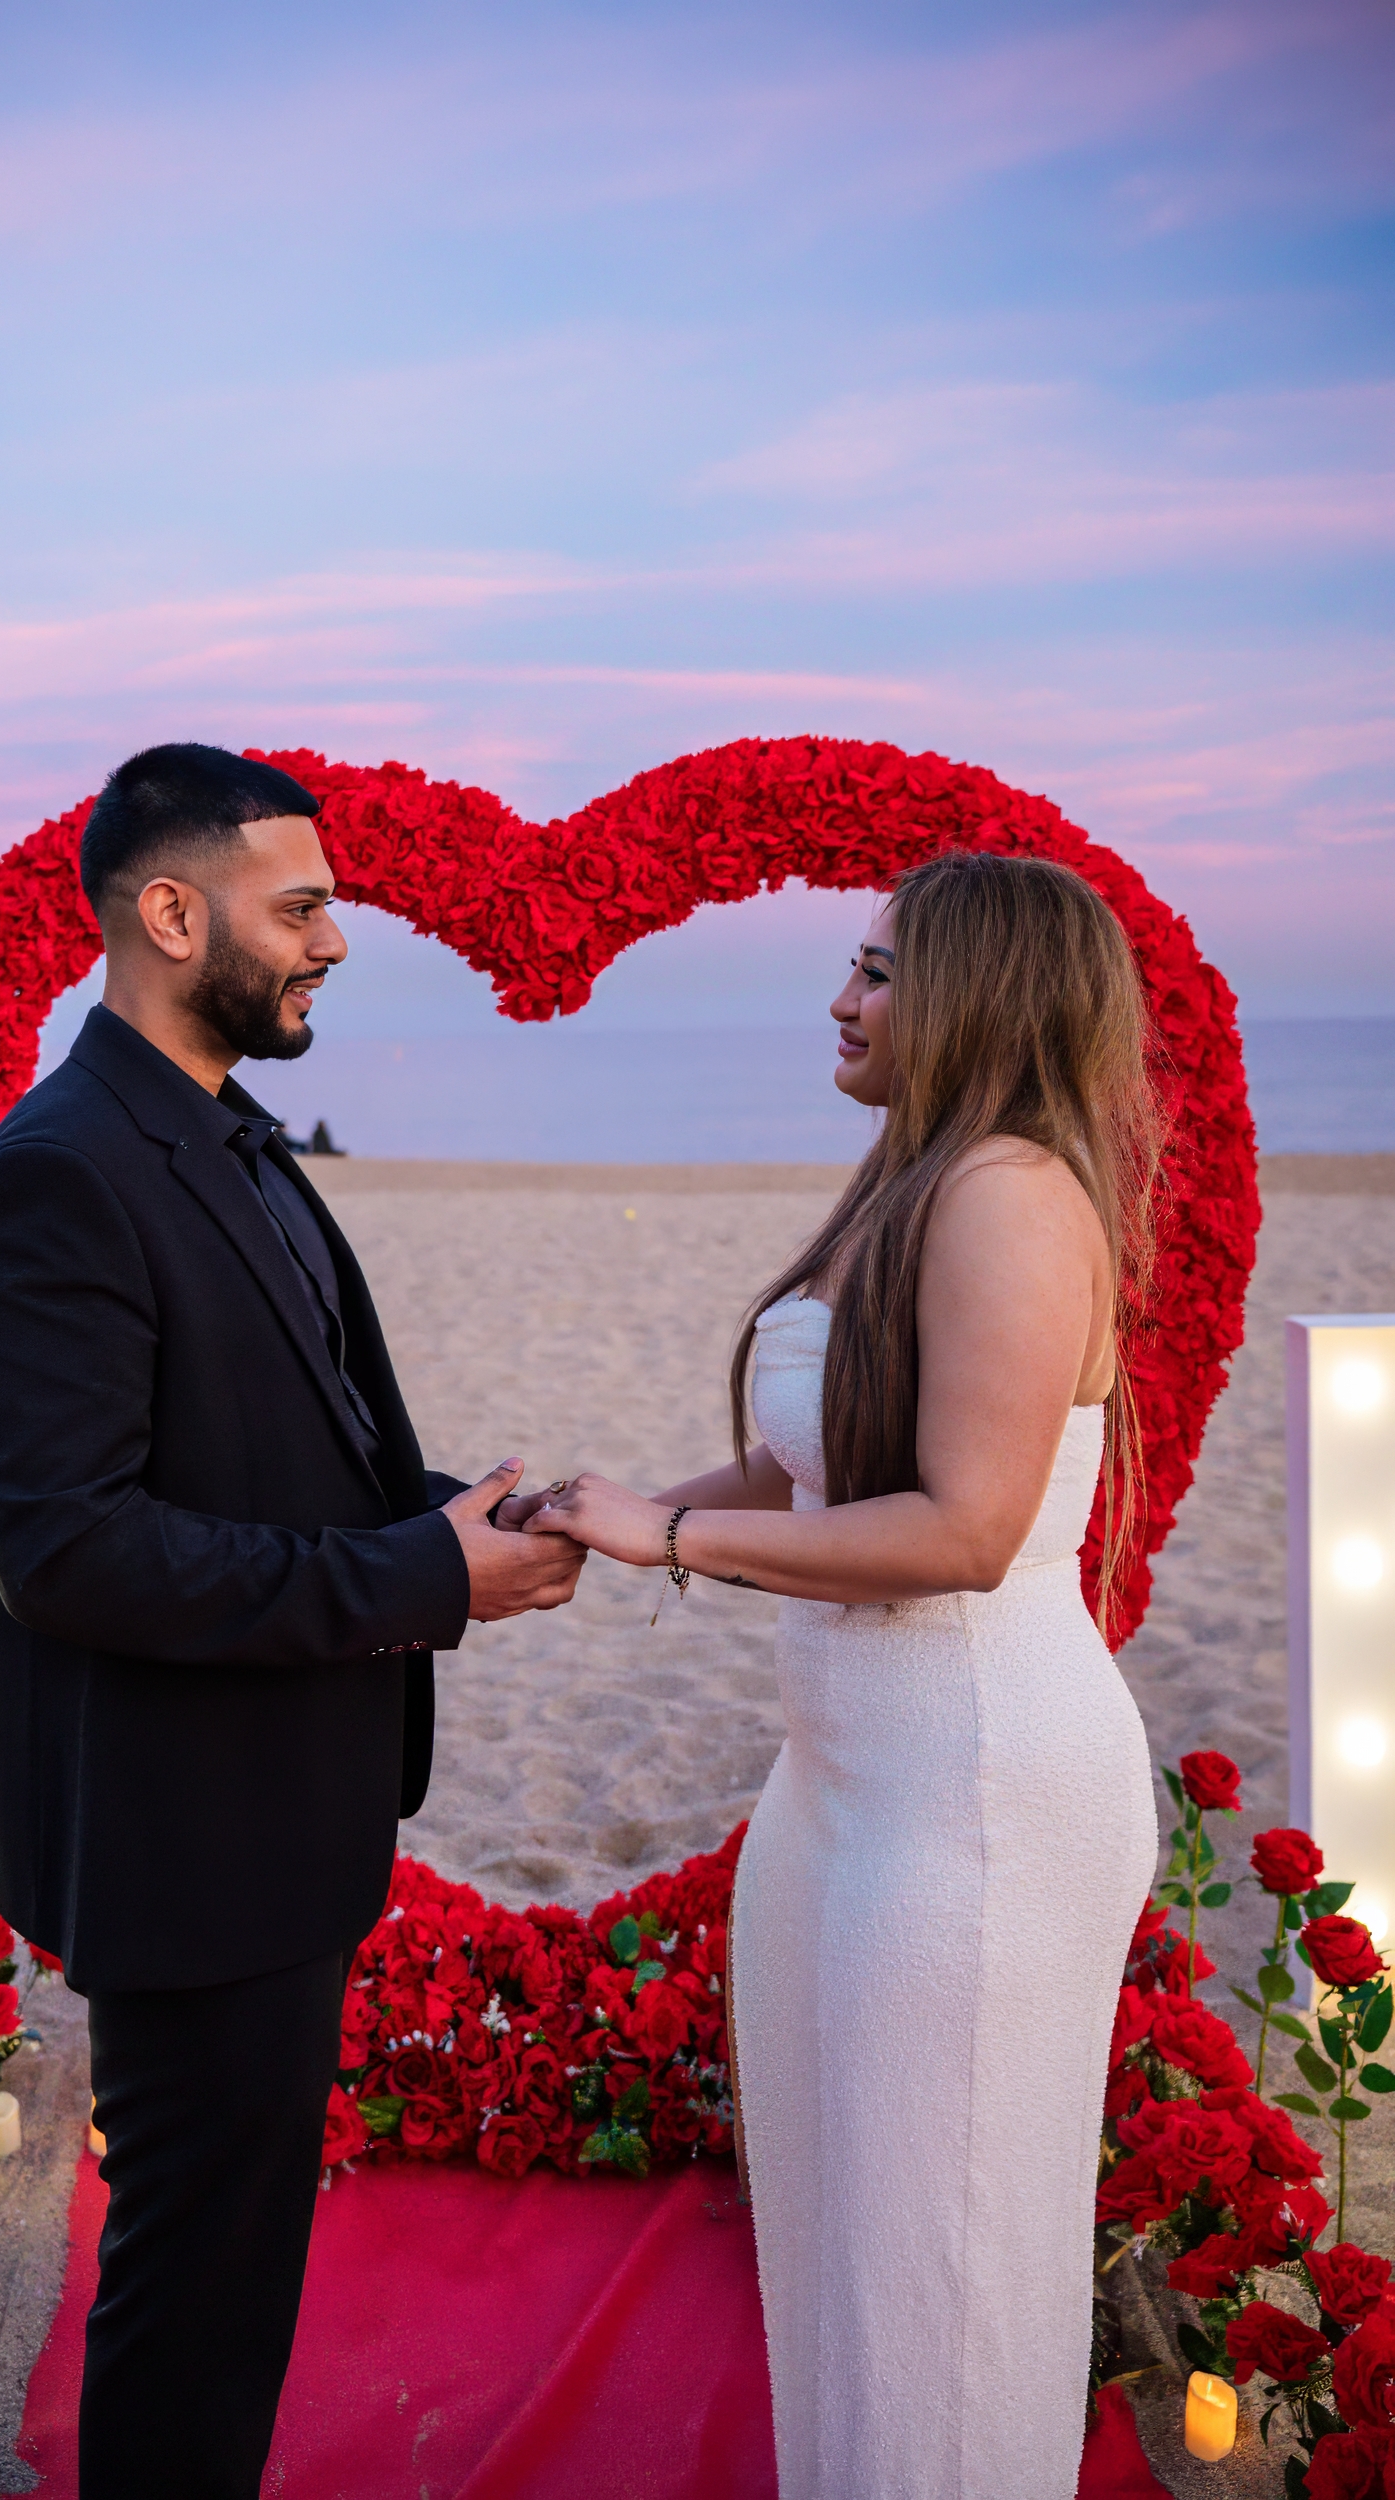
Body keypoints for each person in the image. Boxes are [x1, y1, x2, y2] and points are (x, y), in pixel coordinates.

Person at [0, 742, 585, 2500]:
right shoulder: (56, 1172)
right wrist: (426, 1582)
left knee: (238, 2283)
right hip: (186, 1848)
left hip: (279, 1827)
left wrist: (452, 1512)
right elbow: (69, 1550)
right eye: (299, 906)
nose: (335, 941)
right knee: (195, 2314)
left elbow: (287, 1440)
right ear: (169, 910)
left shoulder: (225, 1135)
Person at [520, 850, 1160, 2498]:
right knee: (837, 2253)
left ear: (972, 995)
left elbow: (961, 1530)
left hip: (978, 1789)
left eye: (876, 970)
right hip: (844, 1781)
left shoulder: (1014, 1192)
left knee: (939, 2281)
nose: (842, 998)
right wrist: (628, 1507)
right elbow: (807, 1467)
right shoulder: (914, 1179)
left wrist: (669, 1549)